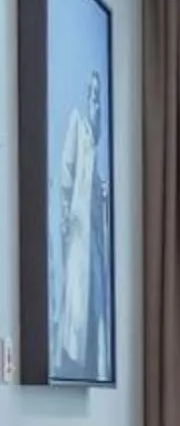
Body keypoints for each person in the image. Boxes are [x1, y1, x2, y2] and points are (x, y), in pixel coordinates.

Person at [51, 63, 107, 380]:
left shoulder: (95, 146)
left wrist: (102, 190)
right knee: (76, 302)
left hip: (92, 240)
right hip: (79, 234)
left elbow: (93, 183)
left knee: (94, 303)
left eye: (100, 97)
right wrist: (65, 214)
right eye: (94, 96)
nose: (97, 104)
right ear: (87, 98)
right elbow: (67, 171)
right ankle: (72, 362)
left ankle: (87, 362)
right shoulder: (77, 124)